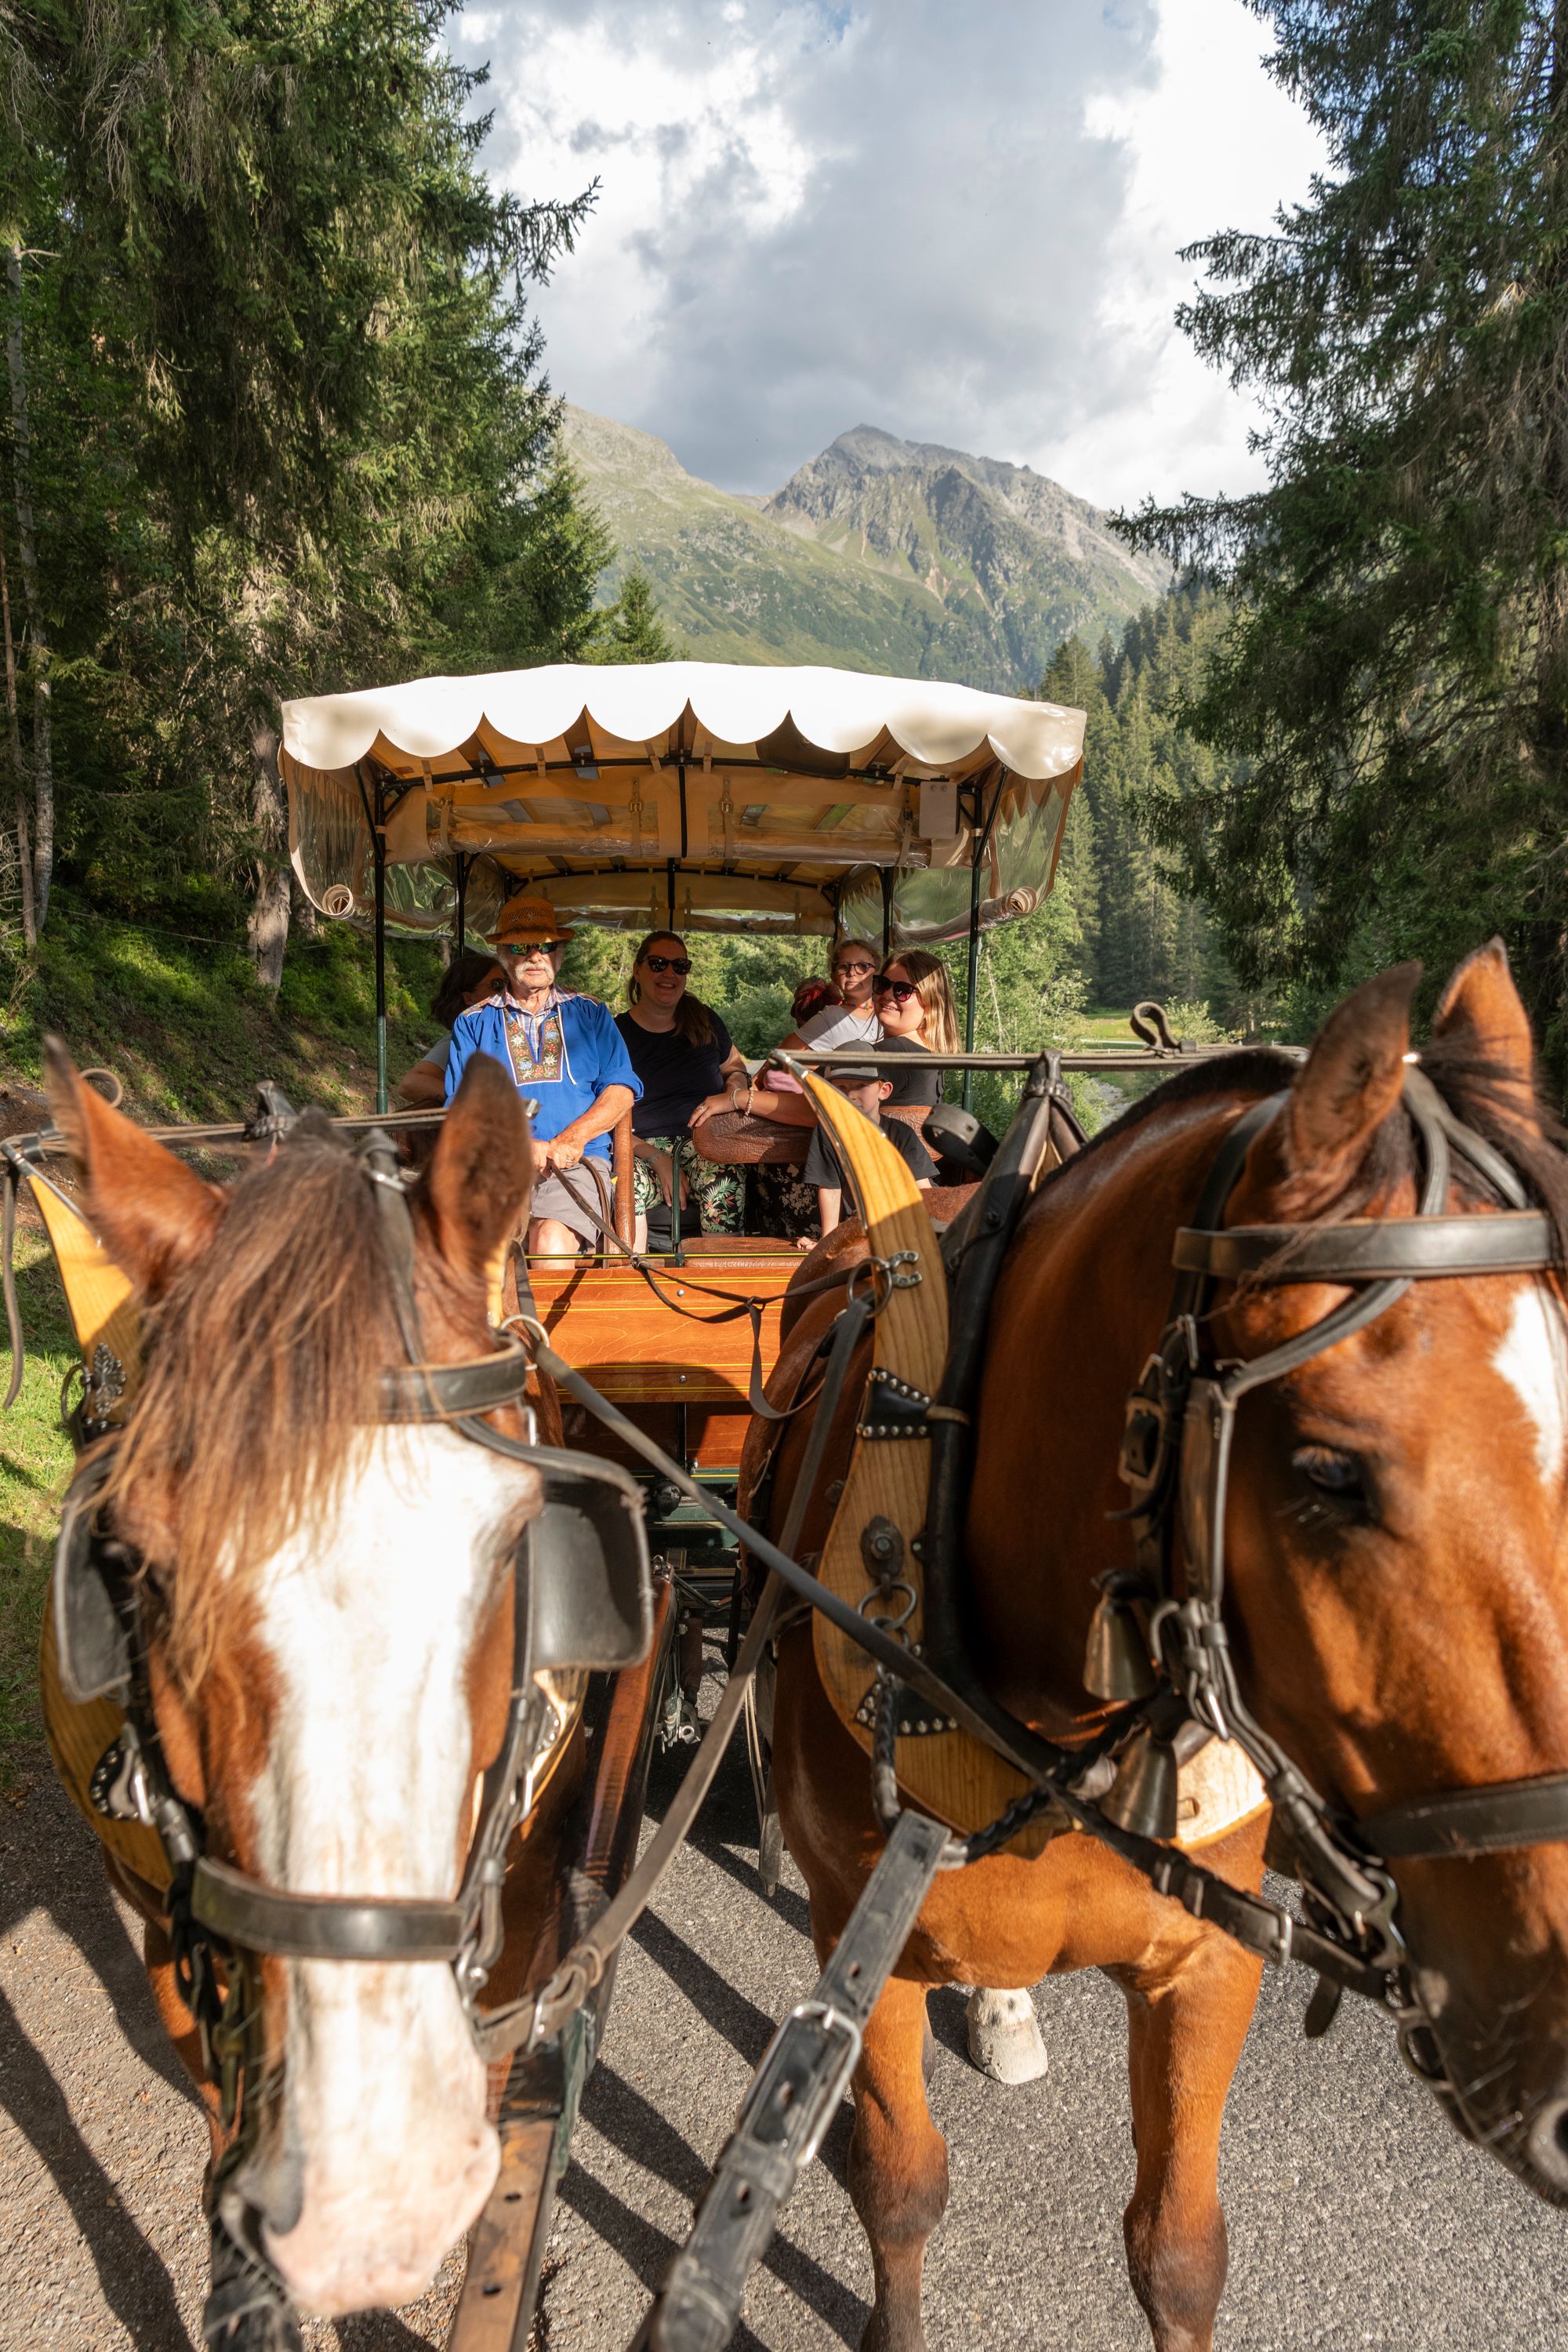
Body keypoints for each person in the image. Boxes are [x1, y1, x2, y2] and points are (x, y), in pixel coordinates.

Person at [445, 895, 641, 1254]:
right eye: (522, 946)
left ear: (558, 953)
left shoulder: (591, 1013)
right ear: (505, 955)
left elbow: (621, 1090)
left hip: (577, 1162)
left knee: (550, 1241)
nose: (535, 956)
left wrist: (569, 1140)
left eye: (545, 946)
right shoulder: (472, 1023)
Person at [615, 931, 748, 1240]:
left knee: (725, 1178)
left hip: (706, 1140)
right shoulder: (615, 1033)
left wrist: (732, 1094)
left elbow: (734, 1066)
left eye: (680, 965)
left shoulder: (704, 1019)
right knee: (625, 1184)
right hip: (639, 1146)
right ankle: (632, 1278)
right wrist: (657, 1159)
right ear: (637, 970)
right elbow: (605, 1112)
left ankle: (719, 1277)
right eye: (658, 963)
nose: (669, 973)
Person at [799, 1062, 935, 1246]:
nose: (850, 1095)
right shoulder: (827, 1133)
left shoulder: (901, 1135)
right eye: (841, 1087)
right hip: (854, 1228)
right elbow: (830, 1189)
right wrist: (827, 1243)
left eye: (861, 1086)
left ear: (884, 1091)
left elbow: (922, 1190)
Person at [396, 951, 503, 1108]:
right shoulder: (462, 1041)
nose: (507, 991)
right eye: (497, 985)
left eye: (508, 983)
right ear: (469, 997)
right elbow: (410, 1084)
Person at [869, 950, 960, 1111]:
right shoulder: (927, 1056)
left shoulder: (895, 1052)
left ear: (930, 1001)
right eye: (883, 984)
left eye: (903, 990)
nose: (888, 994)